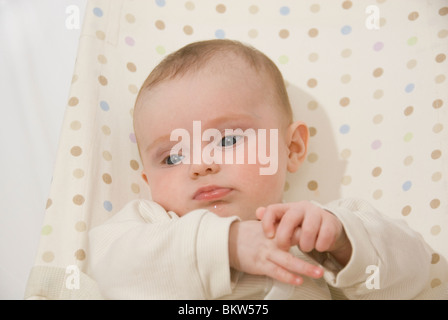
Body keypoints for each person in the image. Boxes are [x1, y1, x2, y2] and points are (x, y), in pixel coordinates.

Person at [88, 39, 448, 300]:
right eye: (172, 157)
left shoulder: (314, 231)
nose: (200, 165)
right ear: (148, 182)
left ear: (291, 148)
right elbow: (110, 274)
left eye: (227, 141)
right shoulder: (151, 227)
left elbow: (414, 275)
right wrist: (222, 245)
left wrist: (342, 242)